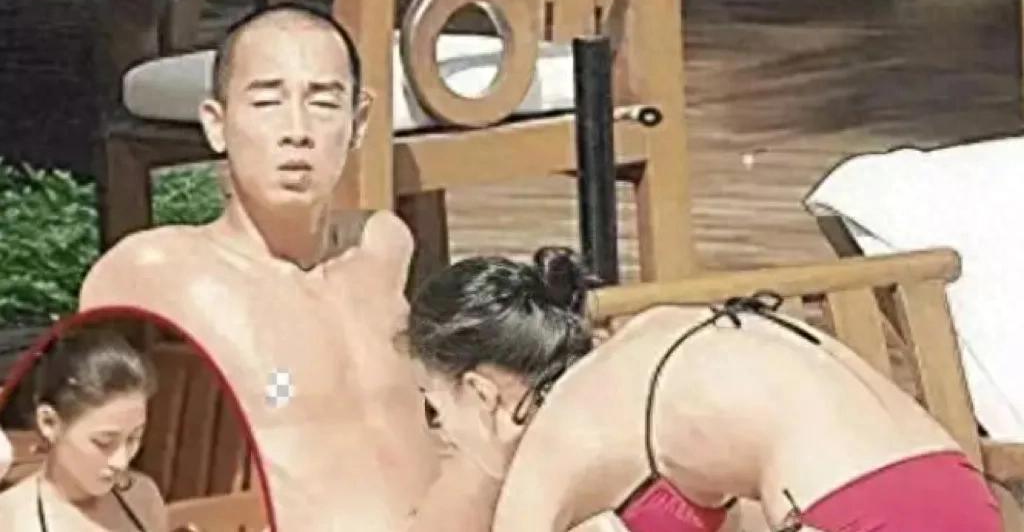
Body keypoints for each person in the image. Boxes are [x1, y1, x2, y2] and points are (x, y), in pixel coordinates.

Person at [79, 3, 445, 530]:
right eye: (268, 102)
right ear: (217, 124)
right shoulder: (158, 272)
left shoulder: (380, 247)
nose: (297, 130)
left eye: (323, 103)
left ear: (358, 123)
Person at [404, 247, 1002, 532]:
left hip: (853, 514)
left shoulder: (561, 432)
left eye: (434, 411)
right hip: (956, 492)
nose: (444, 435)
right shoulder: (650, 349)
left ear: (481, 393)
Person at [0, 327, 166, 531]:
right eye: (103, 442)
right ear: (49, 423)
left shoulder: (143, 498)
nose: (121, 462)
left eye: (133, 438)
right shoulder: (10, 519)